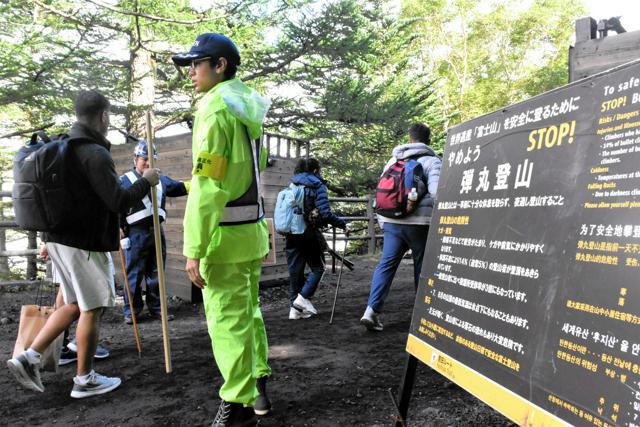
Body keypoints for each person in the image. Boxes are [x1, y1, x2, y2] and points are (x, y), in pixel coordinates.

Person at [6, 90, 160, 398]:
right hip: (83, 243)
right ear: (103, 116)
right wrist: (147, 180)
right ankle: (85, 379)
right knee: (93, 308)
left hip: (59, 240)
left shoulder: (64, 147)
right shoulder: (93, 152)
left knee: (74, 304)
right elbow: (118, 201)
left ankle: (29, 356)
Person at [172, 33, 272, 426]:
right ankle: (258, 383)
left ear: (220, 65)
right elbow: (251, 169)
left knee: (228, 320)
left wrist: (193, 247)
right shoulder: (248, 108)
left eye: (197, 64)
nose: (191, 73)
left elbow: (210, 185)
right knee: (249, 314)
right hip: (251, 234)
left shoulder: (214, 110)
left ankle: (239, 405)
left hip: (223, 243)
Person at [360, 123, 441, 332]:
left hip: (392, 223)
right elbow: (436, 192)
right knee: (421, 268)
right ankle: (421, 316)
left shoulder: (394, 160)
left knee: (386, 265)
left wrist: (384, 221)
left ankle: (371, 311)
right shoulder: (432, 161)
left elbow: (381, 192)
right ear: (428, 140)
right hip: (420, 225)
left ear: (410, 139)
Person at [119, 139, 188, 324]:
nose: (148, 163)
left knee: (156, 273)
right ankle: (131, 311)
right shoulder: (125, 181)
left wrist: (199, 181)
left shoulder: (161, 180)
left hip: (157, 232)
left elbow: (181, 187)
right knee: (133, 273)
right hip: (135, 233)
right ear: (135, 159)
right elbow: (117, 205)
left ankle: (156, 308)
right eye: (144, 159)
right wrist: (118, 227)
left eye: (151, 160)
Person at [285, 158, 347, 320]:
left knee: (295, 270)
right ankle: (302, 299)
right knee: (318, 267)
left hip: (290, 231)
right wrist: (342, 224)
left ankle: (294, 310)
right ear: (314, 170)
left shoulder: (292, 184)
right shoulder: (317, 185)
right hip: (307, 232)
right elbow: (325, 213)